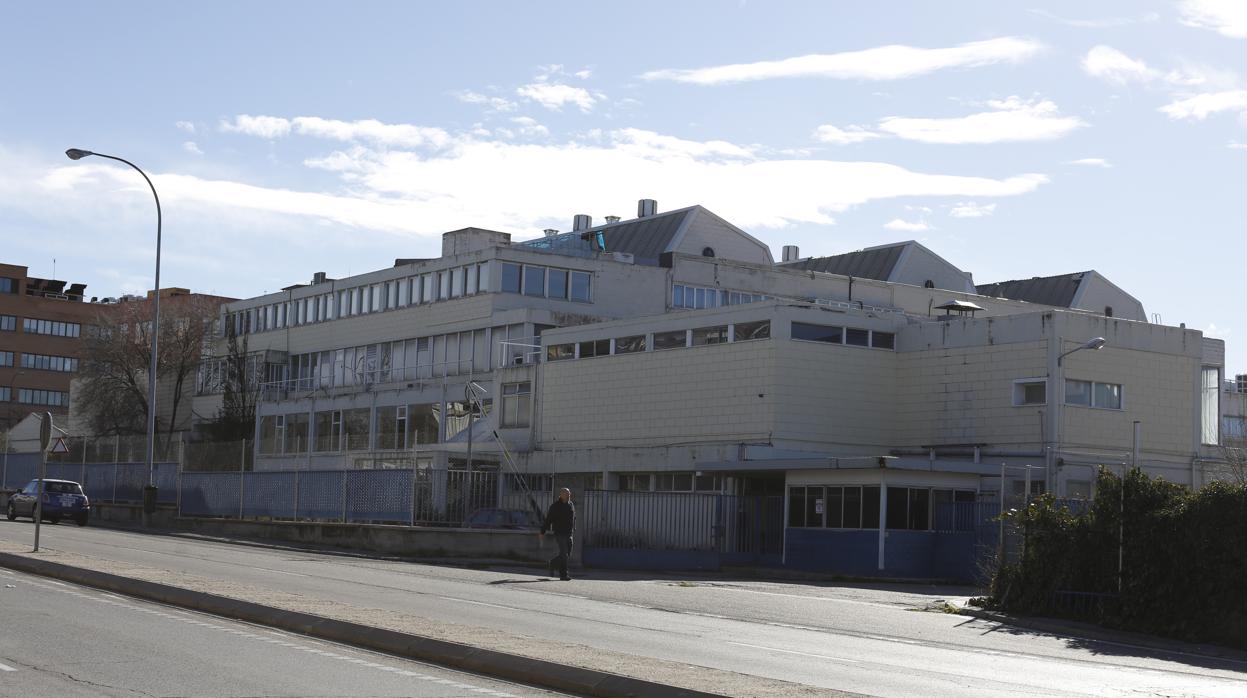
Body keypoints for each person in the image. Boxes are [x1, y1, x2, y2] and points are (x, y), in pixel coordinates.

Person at [539, 488, 575, 581]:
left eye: (569, 493)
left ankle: (553, 563)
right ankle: (563, 575)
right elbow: (548, 520)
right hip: (560, 533)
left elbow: (573, 518)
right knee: (563, 554)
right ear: (561, 495)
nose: (569, 495)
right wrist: (542, 531)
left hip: (569, 533)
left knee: (567, 554)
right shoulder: (555, 506)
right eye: (567, 493)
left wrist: (573, 528)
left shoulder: (571, 504)